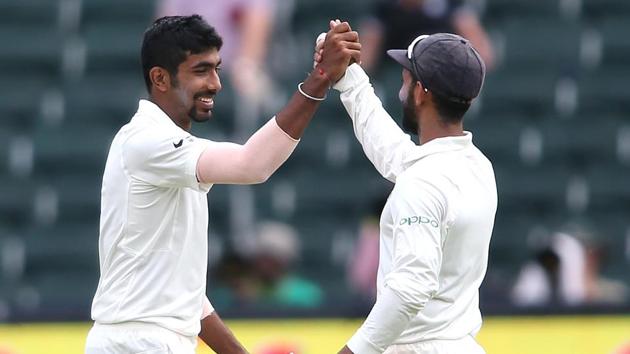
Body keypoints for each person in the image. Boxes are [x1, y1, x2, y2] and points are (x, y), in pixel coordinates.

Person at [85, 15, 360, 354]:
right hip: (136, 341)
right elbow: (253, 165)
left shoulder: (165, 150)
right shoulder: (147, 140)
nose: (215, 83)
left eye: (216, 68)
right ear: (159, 78)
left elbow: (185, 296)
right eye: (201, 71)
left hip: (150, 340)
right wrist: (320, 79)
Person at [315, 29, 497, 353]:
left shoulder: (423, 182)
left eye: (406, 81)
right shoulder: (477, 165)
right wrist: (348, 77)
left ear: (421, 93)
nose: (402, 91)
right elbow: (395, 153)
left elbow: (411, 288)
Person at [360, 0, 494, 74]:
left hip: (445, 78)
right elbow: (365, 62)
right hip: (400, 79)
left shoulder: (452, 7)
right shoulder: (384, 11)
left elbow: (483, 57)